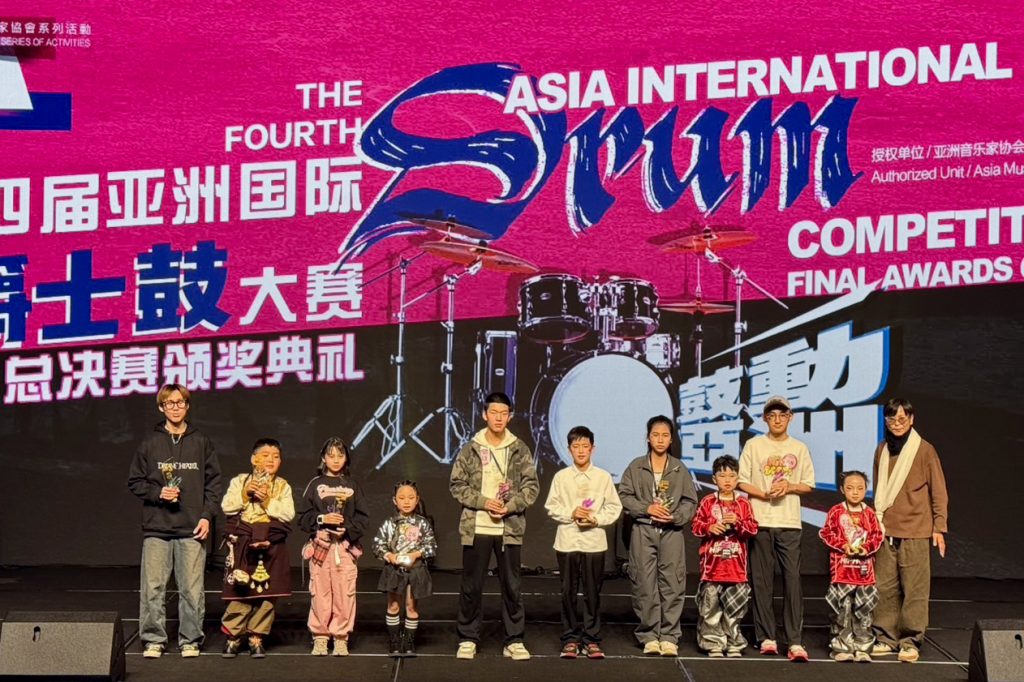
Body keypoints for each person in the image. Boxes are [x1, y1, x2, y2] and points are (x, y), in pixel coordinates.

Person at [127, 384, 222, 659]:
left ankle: (190, 640)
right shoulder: (150, 442)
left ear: (187, 406)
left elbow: (214, 483)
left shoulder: (201, 441)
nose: (176, 407)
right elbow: (135, 481)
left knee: (192, 590)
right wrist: (158, 493)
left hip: (191, 527)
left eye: (180, 402)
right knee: (153, 588)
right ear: (161, 407)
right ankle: (153, 640)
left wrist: (206, 516)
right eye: (170, 403)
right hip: (157, 527)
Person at [450, 391, 539, 661]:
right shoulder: (472, 447)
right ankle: (468, 638)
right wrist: (483, 502)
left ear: (510, 416)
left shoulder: (519, 448)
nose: (498, 418)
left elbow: (531, 487)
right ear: (484, 415)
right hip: (477, 527)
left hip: (508, 528)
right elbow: (457, 485)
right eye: (494, 413)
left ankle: (514, 639)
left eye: (503, 413)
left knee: (512, 586)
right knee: (471, 586)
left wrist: (509, 506)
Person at [870, 398, 948, 663]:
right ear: (886, 421)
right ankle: (885, 637)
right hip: (886, 529)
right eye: (892, 419)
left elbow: (939, 491)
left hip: (916, 529)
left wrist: (939, 527)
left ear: (911, 420)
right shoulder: (882, 450)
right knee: (884, 587)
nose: (897, 424)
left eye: (902, 419)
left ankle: (910, 641)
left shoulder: (924, 450)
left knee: (915, 589)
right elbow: (879, 492)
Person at [738, 395, 815, 662]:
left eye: (782, 415)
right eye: (772, 415)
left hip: (789, 522)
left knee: (792, 581)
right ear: (765, 418)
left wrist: (789, 486)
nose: (778, 420)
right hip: (760, 521)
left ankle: (794, 641)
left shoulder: (799, 447)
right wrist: (763, 494)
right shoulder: (754, 444)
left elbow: (808, 484)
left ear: (790, 417)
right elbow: (741, 480)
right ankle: (766, 637)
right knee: (761, 581)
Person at [618, 415, 698, 657]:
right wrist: (647, 508)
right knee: (644, 582)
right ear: (648, 438)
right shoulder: (636, 466)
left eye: (665, 435)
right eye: (655, 435)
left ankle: (670, 636)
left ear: (671, 439)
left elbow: (690, 501)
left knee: (673, 583)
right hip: (643, 530)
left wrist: (675, 516)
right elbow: (624, 496)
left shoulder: (679, 468)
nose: (660, 439)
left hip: (671, 532)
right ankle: (649, 636)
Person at [543, 426, 623, 660]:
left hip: (594, 542)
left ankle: (591, 639)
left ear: (592, 449)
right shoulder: (561, 477)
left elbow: (614, 507)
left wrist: (596, 518)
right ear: (569, 449)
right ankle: (570, 638)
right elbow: (551, 506)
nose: (580, 451)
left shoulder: (603, 477)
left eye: (585, 446)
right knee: (568, 591)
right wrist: (572, 513)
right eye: (575, 446)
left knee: (592, 592)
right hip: (567, 541)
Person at [220, 438, 295, 658]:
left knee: (268, 595)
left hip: (271, 544)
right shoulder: (240, 480)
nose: (271, 460)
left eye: (276, 456)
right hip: (243, 543)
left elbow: (288, 514)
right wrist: (245, 494)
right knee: (239, 592)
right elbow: (227, 507)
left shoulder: (283, 485)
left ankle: (256, 637)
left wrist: (268, 501)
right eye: (265, 455)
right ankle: (233, 636)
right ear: (253, 459)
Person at [297, 437, 369, 657]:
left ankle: (340, 637)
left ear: (346, 458)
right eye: (331, 456)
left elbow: (363, 519)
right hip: (321, 547)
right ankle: (320, 637)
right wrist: (322, 520)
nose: (336, 460)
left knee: (344, 594)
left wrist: (346, 529)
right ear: (323, 458)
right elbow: (302, 518)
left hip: (344, 549)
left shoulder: (352, 485)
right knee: (320, 594)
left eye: (340, 455)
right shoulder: (315, 484)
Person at [690, 455, 758, 658]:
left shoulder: (743, 503)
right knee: (710, 607)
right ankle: (713, 642)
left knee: (735, 608)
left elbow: (752, 529)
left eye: (731, 475)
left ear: (738, 478)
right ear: (714, 479)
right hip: (712, 568)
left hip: (736, 568)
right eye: (722, 476)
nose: (727, 480)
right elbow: (696, 526)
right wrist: (710, 527)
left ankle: (733, 641)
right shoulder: (708, 501)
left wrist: (737, 522)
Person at [819, 470, 883, 662]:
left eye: (860, 488)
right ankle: (841, 647)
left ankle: (863, 647)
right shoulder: (836, 511)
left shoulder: (869, 514)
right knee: (842, 611)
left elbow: (877, 536)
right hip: (842, 572)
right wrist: (843, 545)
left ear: (866, 490)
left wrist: (865, 548)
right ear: (842, 489)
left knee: (864, 611)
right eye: (850, 488)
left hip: (864, 574)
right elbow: (826, 533)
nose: (855, 492)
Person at [372, 480, 437, 657]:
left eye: (410, 497)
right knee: (393, 606)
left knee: (411, 606)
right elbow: (377, 545)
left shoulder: (422, 523)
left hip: (416, 570)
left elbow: (431, 546)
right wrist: (389, 556)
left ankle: (409, 642)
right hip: (394, 570)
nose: (406, 501)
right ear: (394, 500)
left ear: (417, 500)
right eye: (401, 498)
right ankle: (394, 642)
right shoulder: (389, 523)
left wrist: (416, 554)